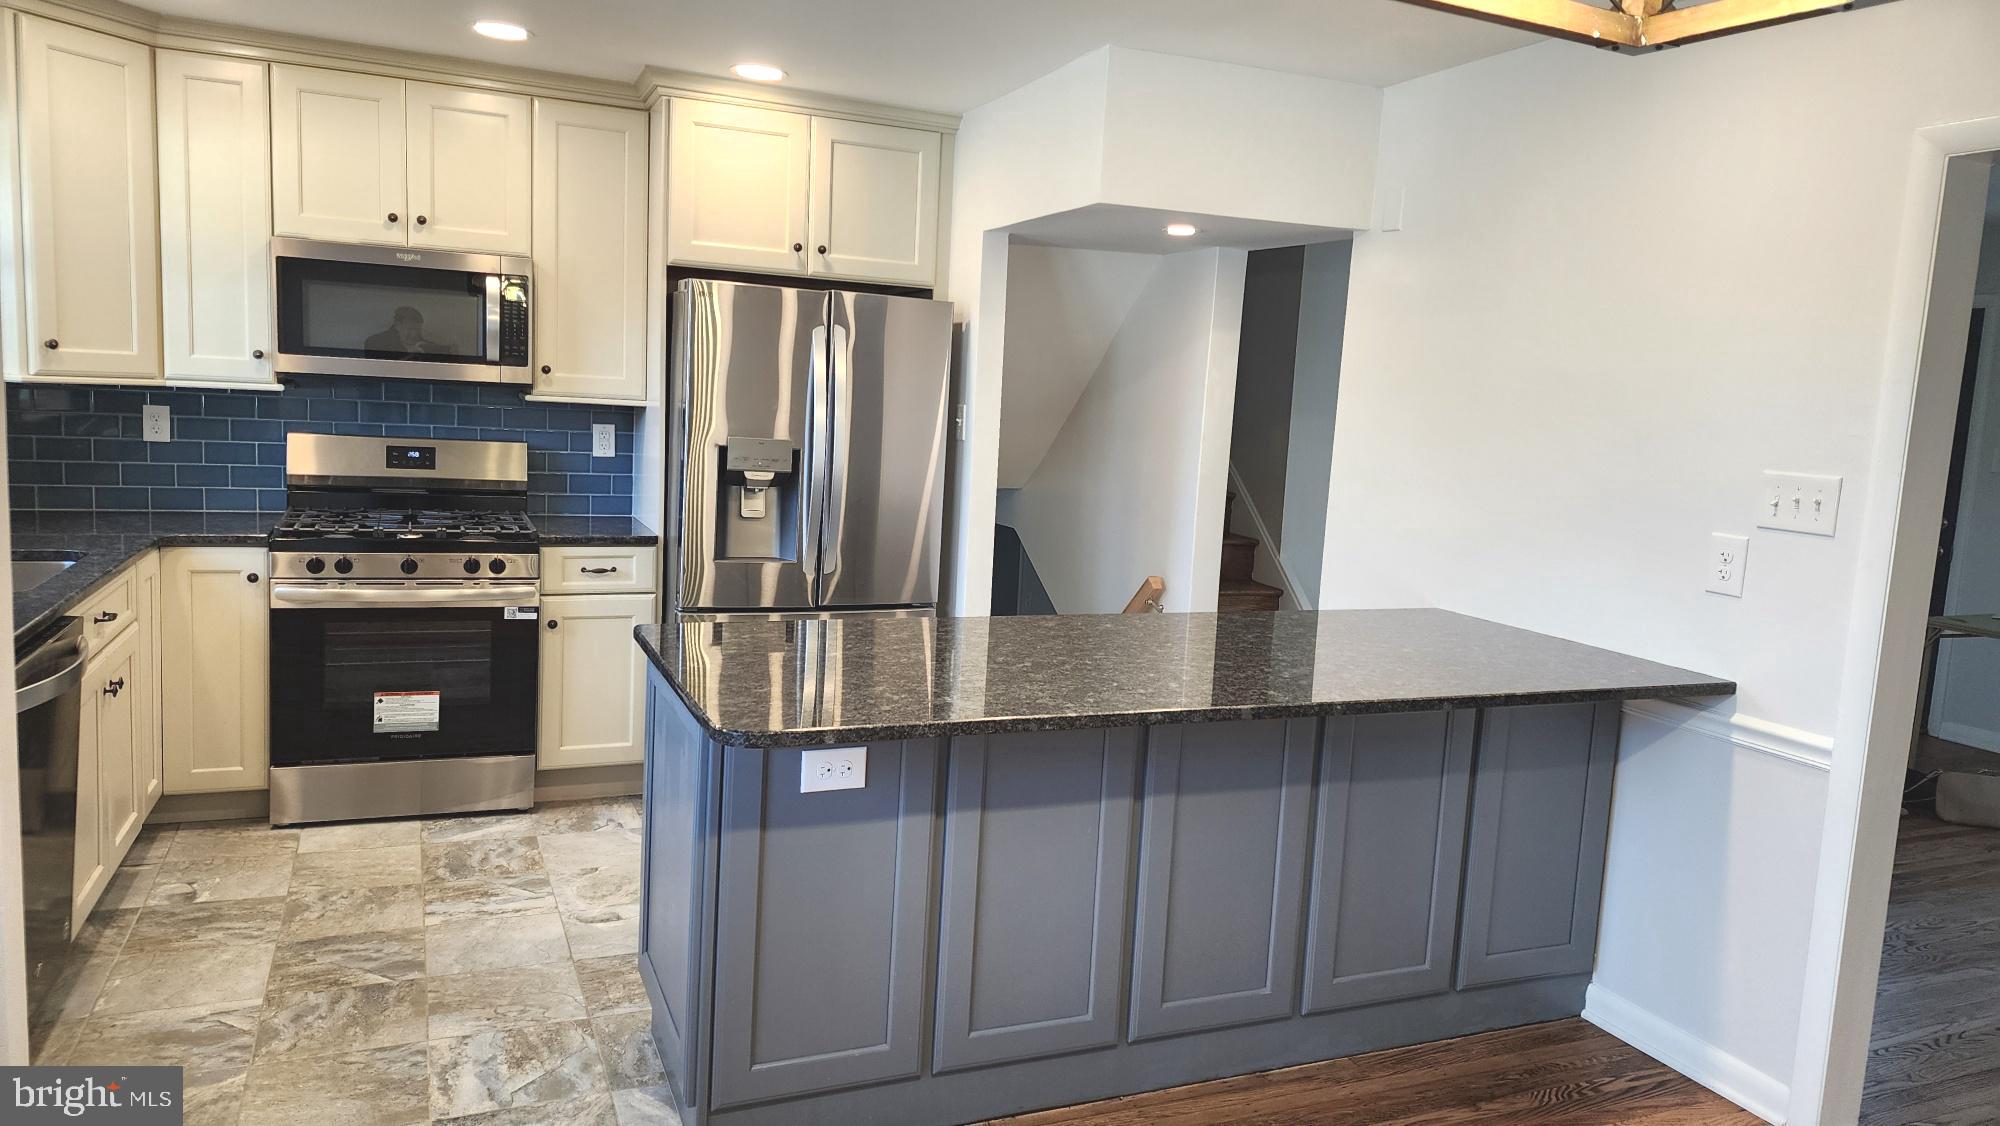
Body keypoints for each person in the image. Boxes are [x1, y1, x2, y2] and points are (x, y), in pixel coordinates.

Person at [364, 306, 441, 358]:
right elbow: (379, 371)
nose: (414, 335)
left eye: (417, 330)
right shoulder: (375, 343)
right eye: (409, 329)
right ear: (397, 325)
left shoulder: (427, 346)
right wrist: (411, 356)